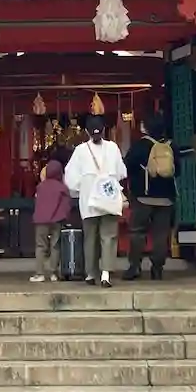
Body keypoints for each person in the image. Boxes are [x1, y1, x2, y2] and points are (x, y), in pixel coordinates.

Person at [64, 114, 126, 288]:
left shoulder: (80, 151)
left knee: (90, 238)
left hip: (89, 201)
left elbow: (70, 178)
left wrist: (82, 188)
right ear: (105, 129)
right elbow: (122, 172)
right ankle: (106, 274)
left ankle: (91, 273)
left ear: (86, 131)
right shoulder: (113, 148)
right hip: (109, 199)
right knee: (109, 236)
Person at [123, 115, 176, 281]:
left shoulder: (139, 146)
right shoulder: (171, 146)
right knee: (161, 234)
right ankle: (157, 268)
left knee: (137, 232)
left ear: (145, 127)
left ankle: (135, 266)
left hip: (142, 197)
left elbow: (127, 166)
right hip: (166, 198)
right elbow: (178, 170)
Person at [31, 157, 72, 283]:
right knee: (55, 246)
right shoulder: (63, 188)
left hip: (41, 220)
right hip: (57, 220)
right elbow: (66, 205)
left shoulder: (40, 187)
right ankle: (54, 273)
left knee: (40, 246)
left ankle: (40, 274)